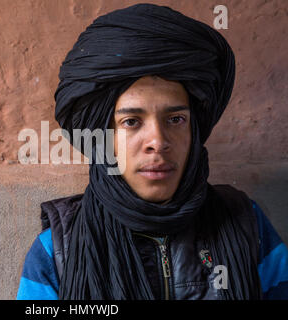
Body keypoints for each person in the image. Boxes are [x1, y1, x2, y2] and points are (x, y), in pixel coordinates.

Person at [16, 3, 288, 300]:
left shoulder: (247, 225)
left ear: (193, 131)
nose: (158, 141)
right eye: (131, 122)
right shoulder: (57, 250)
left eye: (175, 120)